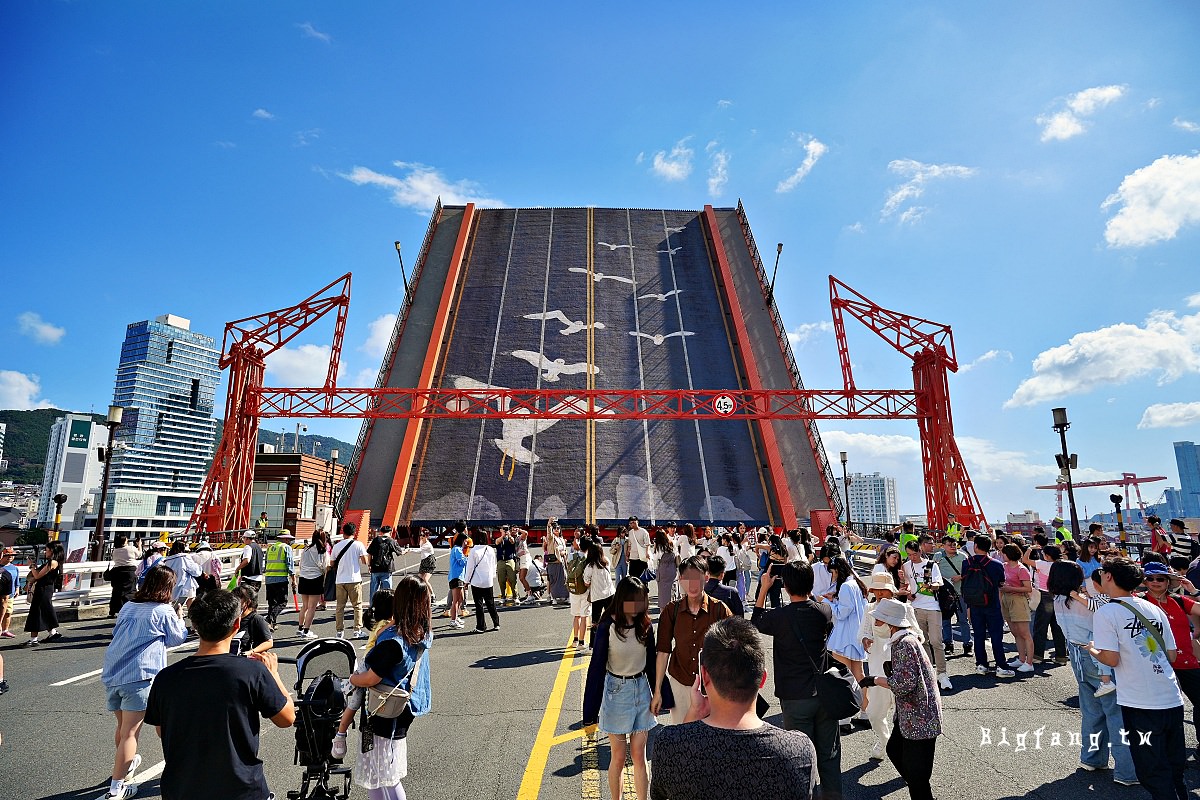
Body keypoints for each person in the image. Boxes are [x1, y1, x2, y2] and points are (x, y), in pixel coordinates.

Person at [144, 590, 295, 800]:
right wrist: (274, 674)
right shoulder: (251, 672)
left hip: (182, 789)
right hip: (240, 788)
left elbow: (162, 730)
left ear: (195, 626)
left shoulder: (166, 677)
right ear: (236, 624)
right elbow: (287, 718)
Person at [650, 616, 816, 800]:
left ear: (704, 676)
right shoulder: (799, 750)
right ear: (762, 679)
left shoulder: (669, 744)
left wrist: (693, 715)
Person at [1090, 557, 1188, 799]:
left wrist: (1092, 649)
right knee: (1174, 768)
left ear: (1109, 576)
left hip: (1139, 700)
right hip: (1171, 696)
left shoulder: (1107, 612)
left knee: (1152, 770)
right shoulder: (1153, 608)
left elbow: (1111, 659)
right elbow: (1172, 654)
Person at [751, 562, 840, 799]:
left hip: (794, 696)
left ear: (786, 586)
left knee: (800, 758)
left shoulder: (780, 617)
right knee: (829, 755)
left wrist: (764, 588)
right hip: (824, 694)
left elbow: (756, 620)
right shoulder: (824, 611)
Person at [100, 565, 188, 800]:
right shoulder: (163, 610)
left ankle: (125, 766)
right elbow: (177, 638)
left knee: (123, 729)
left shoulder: (128, 606)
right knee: (132, 733)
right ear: (168, 587)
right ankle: (116, 788)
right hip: (140, 675)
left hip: (114, 673)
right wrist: (180, 618)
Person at [1050, 560, 1136, 785]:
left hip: (1077, 656)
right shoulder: (1085, 602)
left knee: (1091, 710)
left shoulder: (1058, 600)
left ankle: (1092, 758)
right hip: (1097, 656)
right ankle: (1127, 771)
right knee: (1116, 713)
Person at [349, 576, 433, 800]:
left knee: (382, 774)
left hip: (383, 711)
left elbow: (370, 678)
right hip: (404, 704)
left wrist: (353, 679)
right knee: (381, 771)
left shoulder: (394, 641)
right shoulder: (420, 631)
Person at [582, 577, 664, 800]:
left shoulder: (645, 626)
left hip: (641, 692)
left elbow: (652, 662)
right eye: (635, 601)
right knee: (617, 757)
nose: (639, 607)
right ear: (624, 600)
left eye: (642, 602)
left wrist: (659, 694)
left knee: (640, 755)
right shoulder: (607, 626)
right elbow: (596, 668)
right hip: (616, 692)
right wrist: (589, 712)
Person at [869, 598, 943, 800]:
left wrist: (876, 680)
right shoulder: (906, 640)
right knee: (894, 750)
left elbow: (904, 685)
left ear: (890, 624)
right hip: (914, 716)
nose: (875, 625)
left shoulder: (903, 644)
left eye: (878, 621)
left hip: (918, 718)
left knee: (917, 776)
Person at [653, 555, 732, 725]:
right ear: (680, 579)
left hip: (712, 685)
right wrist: (658, 690)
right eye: (687, 578)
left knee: (711, 738)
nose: (692, 584)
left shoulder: (719, 610)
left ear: (706, 577)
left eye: (697, 578)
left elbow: (733, 650)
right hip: (680, 682)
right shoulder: (671, 610)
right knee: (681, 734)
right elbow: (663, 651)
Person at [1137, 560, 1200, 762]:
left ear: (1168, 581)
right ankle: (1168, 754)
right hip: (1155, 664)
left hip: (1187, 662)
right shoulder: (1137, 602)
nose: (1155, 582)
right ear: (1144, 581)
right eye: (1150, 578)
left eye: (1160, 578)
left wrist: (1194, 591)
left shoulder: (1179, 600)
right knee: (1166, 711)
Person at [858, 572, 922, 760]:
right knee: (874, 713)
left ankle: (905, 750)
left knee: (904, 713)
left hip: (902, 670)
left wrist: (910, 637)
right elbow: (864, 631)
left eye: (883, 590)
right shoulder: (870, 608)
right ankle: (884, 739)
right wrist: (865, 639)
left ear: (891, 591)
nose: (879, 593)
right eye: (876, 589)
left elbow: (918, 634)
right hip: (878, 667)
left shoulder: (904, 609)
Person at [331, 588, 395, 758]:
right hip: (367, 665)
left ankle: (348, 688)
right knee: (357, 701)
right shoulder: (384, 625)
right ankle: (341, 733)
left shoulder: (380, 622)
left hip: (366, 663)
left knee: (360, 703)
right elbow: (384, 631)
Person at [822, 555, 869, 719]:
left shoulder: (846, 586)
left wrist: (830, 603)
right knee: (859, 674)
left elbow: (842, 613)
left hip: (844, 636)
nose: (832, 575)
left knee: (843, 676)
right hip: (856, 634)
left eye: (832, 572)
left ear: (837, 570)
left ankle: (846, 716)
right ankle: (865, 711)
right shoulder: (855, 582)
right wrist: (835, 598)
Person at [901, 535, 950, 689]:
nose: (912, 557)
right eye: (909, 554)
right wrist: (908, 592)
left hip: (933, 606)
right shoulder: (906, 566)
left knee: (937, 641)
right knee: (924, 642)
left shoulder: (930, 565)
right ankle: (929, 673)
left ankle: (942, 674)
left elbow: (938, 583)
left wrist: (932, 586)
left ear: (919, 551)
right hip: (916, 606)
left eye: (914, 554)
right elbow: (907, 584)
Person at [962, 534, 1014, 677]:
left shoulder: (966, 563)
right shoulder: (996, 564)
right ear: (990, 546)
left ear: (975, 546)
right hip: (992, 603)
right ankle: (1001, 666)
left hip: (974, 604)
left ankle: (981, 665)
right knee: (996, 636)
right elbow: (1001, 582)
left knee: (978, 635)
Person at [1028, 543, 1068, 665]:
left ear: (1047, 556)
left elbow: (1025, 560)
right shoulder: (1062, 565)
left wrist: (1030, 549)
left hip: (1045, 595)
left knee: (1040, 627)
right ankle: (1061, 656)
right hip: (1059, 596)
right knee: (1058, 628)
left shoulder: (1043, 564)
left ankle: (1037, 656)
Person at [998, 543, 1035, 673]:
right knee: (1015, 632)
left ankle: (1029, 662)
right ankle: (1021, 658)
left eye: (1004, 553)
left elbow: (1028, 588)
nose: (1002, 555)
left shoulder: (1021, 569)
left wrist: (1010, 588)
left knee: (1024, 633)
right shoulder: (1003, 566)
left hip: (1018, 600)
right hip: (1006, 599)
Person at [931, 536, 969, 657]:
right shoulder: (938, 556)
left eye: (954, 544)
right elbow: (933, 572)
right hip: (945, 594)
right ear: (943, 546)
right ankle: (948, 644)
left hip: (960, 592)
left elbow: (969, 572)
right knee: (946, 620)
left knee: (963, 620)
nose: (953, 546)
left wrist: (961, 577)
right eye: (950, 544)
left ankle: (967, 645)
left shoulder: (963, 556)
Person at [331, 522, 370, 639]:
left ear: (343, 532)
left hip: (340, 580)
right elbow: (365, 561)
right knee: (357, 606)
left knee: (340, 606)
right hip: (354, 579)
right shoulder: (358, 545)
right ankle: (357, 630)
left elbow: (332, 563)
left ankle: (339, 632)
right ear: (354, 532)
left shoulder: (337, 546)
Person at [24, 541, 63, 645]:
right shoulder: (52, 562)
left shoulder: (53, 562)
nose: (45, 552)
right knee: (45, 610)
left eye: (47, 550)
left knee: (36, 612)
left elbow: (37, 576)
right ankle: (52, 632)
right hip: (45, 589)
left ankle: (34, 639)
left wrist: (31, 566)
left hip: (43, 589)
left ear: (52, 551)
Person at [296, 528, 330, 639]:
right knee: (312, 607)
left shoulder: (305, 550)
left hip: (303, 578)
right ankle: (307, 631)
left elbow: (301, 565)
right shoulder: (323, 551)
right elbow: (325, 567)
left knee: (304, 606)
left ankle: (300, 628)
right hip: (316, 579)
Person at [583, 535, 617, 648]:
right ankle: (613, 641)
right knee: (612, 618)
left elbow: (586, 582)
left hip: (597, 596)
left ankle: (593, 645)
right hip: (610, 594)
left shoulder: (590, 566)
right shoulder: (605, 561)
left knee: (595, 622)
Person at [464, 529, 500, 633]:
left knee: (478, 604)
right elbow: (494, 565)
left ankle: (481, 626)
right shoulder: (490, 549)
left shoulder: (474, 551)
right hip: (488, 580)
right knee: (490, 603)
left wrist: (467, 581)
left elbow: (470, 568)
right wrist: (492, 576)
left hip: (477, 580)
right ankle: (496, 623)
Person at [161, 541, 202, 625]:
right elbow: (196, 571)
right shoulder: (184, 557)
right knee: (188, 607)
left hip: (172, 586)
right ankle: (194, 626)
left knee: (175, 607)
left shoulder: (168, 560)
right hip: (186, 586)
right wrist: (198, 566)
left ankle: (174, 624)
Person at [262, 532, 296, 631]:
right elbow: (290, 564)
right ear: (285, 539)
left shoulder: (270, 548)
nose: (289, 541)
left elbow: (266, 562)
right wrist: (293, 579)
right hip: (280, 578)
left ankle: (272, 624)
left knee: (272, 602)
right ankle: (270, 619)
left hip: (269, 578)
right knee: (282, 602)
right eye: (289, 539)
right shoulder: (286, 547)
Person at [231, 584, 273, 656]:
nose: (234, 602)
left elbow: (269, 642)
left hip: (248, 661)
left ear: (248, 602)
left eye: (238, 598)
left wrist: (251, 652)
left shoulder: (256, 619)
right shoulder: (231, 618)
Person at [107, 536, 140, 617]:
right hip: (130, 571)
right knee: (130, 591)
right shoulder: (131, 548)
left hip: (117, 571)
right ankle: (130, 609)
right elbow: (139, 555)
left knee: (116, 591)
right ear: (124, 541)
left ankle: (113, 611)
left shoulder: (115, 551)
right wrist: (139, 545)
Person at [367, 526, 402, 599]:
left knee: (374, 589)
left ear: (381, 532)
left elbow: (369, 553)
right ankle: (387, 606)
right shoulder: (391, 541)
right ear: (390, 532)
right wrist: (407, 551)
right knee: (387, 590)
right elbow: (400, 552)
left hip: (375, 567)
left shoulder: (376, 540)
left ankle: (372, 606)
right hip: (387, 568)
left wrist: (369, 565)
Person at [652, 527, 678, 610]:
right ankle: (673, 607)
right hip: (672, 569)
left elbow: (655, 558)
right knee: (672, 589)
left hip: (663, 569)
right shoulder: (672, 544)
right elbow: (676, 554)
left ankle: (663, 611)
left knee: (663, 592)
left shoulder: (659, 547)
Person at [446, 532, 469, 627]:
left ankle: (455, 616)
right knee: (456, 600)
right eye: (465, 541)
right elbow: (462, 561)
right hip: (456, 577)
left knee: (461, 599)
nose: (466, 544)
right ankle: (453, 620)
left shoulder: (457, 549)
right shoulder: (457, 550)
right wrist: (469, 558)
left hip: (458, 576)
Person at [544, 522, 569, 607]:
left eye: (558, 528)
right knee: (553, 579)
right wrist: (549, 525)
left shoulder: (562, 539)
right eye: (555, 528)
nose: (556, 529)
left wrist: (564, 552)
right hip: (553, 560)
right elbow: (549, 534)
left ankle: (566, 596)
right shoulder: (551, 538)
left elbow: (565, 550)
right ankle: (554, 597)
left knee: (564, 578)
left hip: (561, 561)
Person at [495, 526, 519, 605]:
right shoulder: (499, 539)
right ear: (500, 530)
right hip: (501, 561)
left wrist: (508, 535)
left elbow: (512, 541)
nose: (505, 531)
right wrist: (503, 535)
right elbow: (497, 542)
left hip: (510, 560)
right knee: (501, 580)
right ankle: (503, 596)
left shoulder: (510, 538)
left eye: (507, 529)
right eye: (503, 529)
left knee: (512, 579)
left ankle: (515, 596)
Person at [0, 547, 20, 637]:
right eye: (7, 555)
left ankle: (5, 629)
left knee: (8, 612)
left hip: (10, 594)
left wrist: (17, 588)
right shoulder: (1, 568)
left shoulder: (14, 568)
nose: (10, 557)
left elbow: (16, 580)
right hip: (2, 594)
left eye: (12, 555)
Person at [415, 528, 438, 605]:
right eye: (420, 535)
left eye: (423, 535)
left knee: (425, 579)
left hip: (429, 562)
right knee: (419, 579)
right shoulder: (421, 542)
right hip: (423, 561)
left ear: (427, 536)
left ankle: (432, 595)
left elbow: (419, 551)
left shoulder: (428, 545)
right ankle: (421, 595)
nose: (421, 537)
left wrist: (408, 550)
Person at [627, 516, 650, 580]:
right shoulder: (630, 532)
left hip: (641, 558)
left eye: (633, 522)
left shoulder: (643, 532)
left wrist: (647, 553)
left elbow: (647, 544)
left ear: (637, 522)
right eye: (630, 523)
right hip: (632, 557)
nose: (632, 524)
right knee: (632, 576)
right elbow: (629, 545)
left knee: (642, 577)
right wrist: (627, 555)